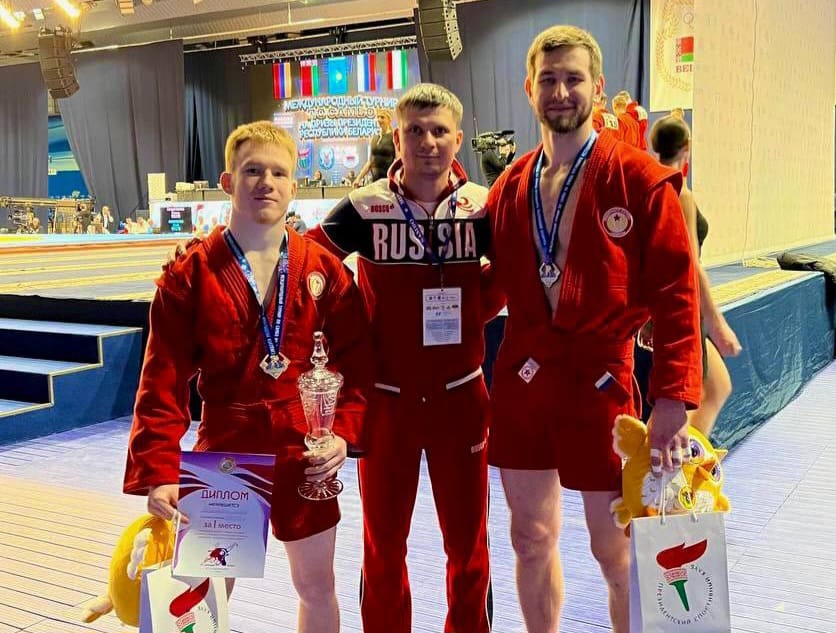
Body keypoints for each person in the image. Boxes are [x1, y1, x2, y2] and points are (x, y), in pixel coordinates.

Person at [485, 26, 702, 633]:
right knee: (529, 537)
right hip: (526, 376)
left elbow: (677, 294)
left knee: (616, 548)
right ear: (529, 89)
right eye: (548, 79)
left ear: (598, 89)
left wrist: (672, 397)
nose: (561, 91)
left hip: (601, 380)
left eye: (573, 79)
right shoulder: (510, 186)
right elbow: (486, 286)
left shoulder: (639, 178)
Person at [123, 121, 370, 633]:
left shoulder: (323, 269)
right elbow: (161, 379)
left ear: (294, 186)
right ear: (227, 180)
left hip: (304, 448)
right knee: (203, 593)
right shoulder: (191, 273)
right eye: (253, 170)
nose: (266, 182)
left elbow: (359, 360)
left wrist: (343, 433)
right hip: (225, 447)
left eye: (278, 173)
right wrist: (160, 469)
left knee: (317, 586)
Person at [307, 83, 501, 633]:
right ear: (397, 138)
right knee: (383, 545)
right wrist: (353, 326)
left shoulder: (483, 206)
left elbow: (514, 271)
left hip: (461, 396)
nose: (427, 142)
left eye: (439, 131)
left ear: (457, 139)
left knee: (469, 545)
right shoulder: (365, 206)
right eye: (415, 130)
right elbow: (308, 265)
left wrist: (473, 311)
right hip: (387, 401)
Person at [645, 115, 742, 436]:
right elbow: (691, 263)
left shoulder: (655, 186)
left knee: (716, 387)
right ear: (687, 146)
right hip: (684, 308)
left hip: (671, 304)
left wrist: (648, 315)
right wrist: (717, 322)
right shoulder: (679, 191)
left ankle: (688, 458)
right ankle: (661, 461)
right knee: (686, 402)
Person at [353, 108, 396, 187]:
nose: (379, 120)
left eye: (382, 117)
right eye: (378, 117)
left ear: (389, 119)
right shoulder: (374, 138)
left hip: (389, 182)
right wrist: (358, 178)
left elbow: (398, 160)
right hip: (375, 181)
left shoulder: (394, 137)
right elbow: (370, 162)